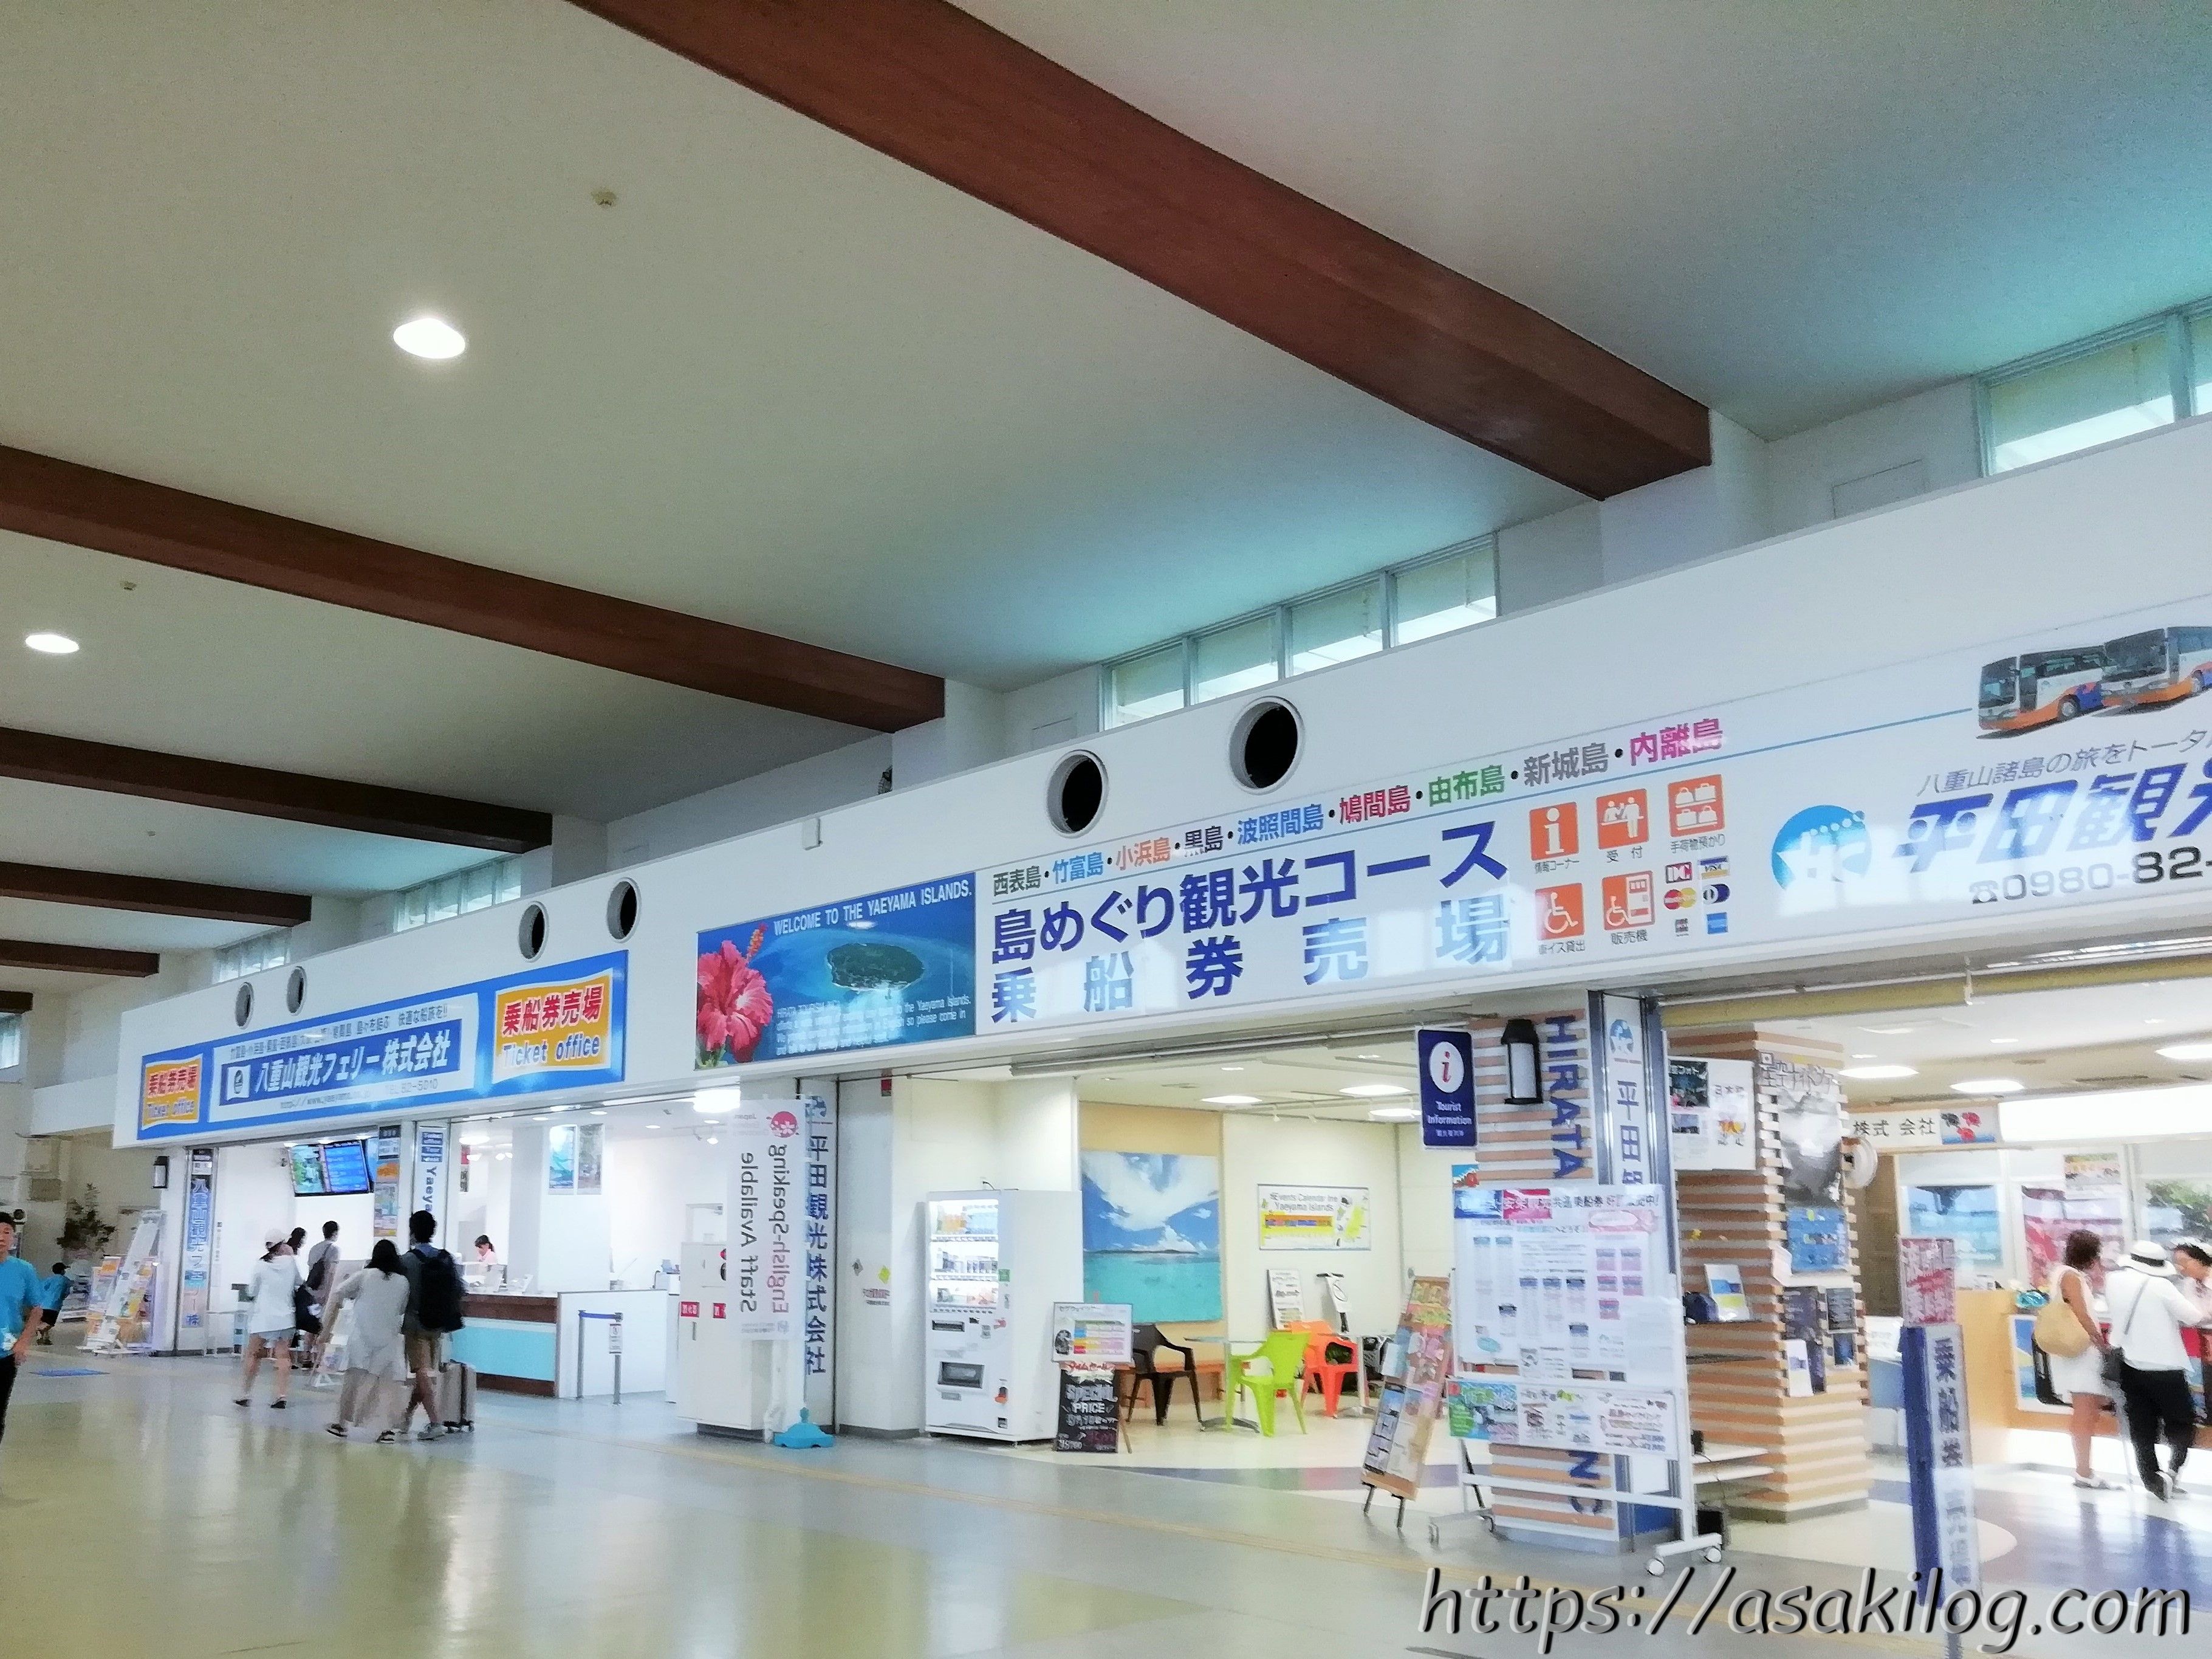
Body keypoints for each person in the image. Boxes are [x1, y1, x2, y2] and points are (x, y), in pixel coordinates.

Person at [2105, 1238, 2205, 1499]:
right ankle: (2172, 1472)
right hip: (2166, 1367)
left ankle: (2152, 1479)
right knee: (2181, 1422)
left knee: (2141, 1425)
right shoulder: (2161, 1286)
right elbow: (2193, 1316)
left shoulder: (2113, 1281)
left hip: (2129, 1363)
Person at [2046, 1229, 2117, 1489]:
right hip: (2081, 1353)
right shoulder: (2072, 1277)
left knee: (2085, 1411)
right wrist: (2100, 1342)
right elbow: (2082, 1313)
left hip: (2073, 1352)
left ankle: (2084, 1470)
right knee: (2085, 1412)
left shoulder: (2061, 1273)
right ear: (2091, 1255)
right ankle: (2083, 1472)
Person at [323, 1240, 413, 1443]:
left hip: (362, 1338)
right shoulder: (403, 1282)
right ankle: (387, 1430)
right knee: (387, 1387)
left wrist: (328, 1326)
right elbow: (401, 1309)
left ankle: (342, 1424)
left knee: (353, 1382)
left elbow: (338, 1292)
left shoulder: (365, 1275)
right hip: (389, 1340)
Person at [397, 1211, 465, 1441]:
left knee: (421, 1373)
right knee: (424, 1373)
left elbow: (400, 1293)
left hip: (415, 1323)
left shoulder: (407, 1261)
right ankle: (406, 1416)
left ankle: (436, 1422)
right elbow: (460, 1289)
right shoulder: (446, 1258)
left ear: (412, 1231)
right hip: (438, 1324)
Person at [235, 1231, 301, 1410]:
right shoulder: (291, 1263)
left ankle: (245, 1394)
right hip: (286, 1317)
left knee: (253, 1354)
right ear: (283, 1244)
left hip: (263, 1318)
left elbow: (252, 1291)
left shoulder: (261, 1265)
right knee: (283, 1356)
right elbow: (299, 1282)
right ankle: (281, 1395)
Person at [0, 1217, 43, 1453]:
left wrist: (24, 1341)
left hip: (6, 1352)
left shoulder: (23, 1270)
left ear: (13, 1238)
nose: (1, 1238)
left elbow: (36, 1308)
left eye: (7, 1232)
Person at [303, 1222, 342, 1362]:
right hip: (325, 1293)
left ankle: (306, 1357)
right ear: (335, 1233)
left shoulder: (314, 1248)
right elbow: (332, 1273)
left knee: (311, 1326)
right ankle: (319, 1360)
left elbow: (311, 1270)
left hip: (312, 1292)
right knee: (324, 1328)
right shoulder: (334, 1249)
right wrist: (330, 1294)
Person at [35, 1262, 69, 1346]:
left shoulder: (49, 1279)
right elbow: (67, 1292)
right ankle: (37, 1329)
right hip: (54, 1305)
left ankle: (45, 1339)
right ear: (62, 1271)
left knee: (44, 1321)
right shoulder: (65, 1280)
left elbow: (41, 1289)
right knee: (50, 1323)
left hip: (43, 1304)